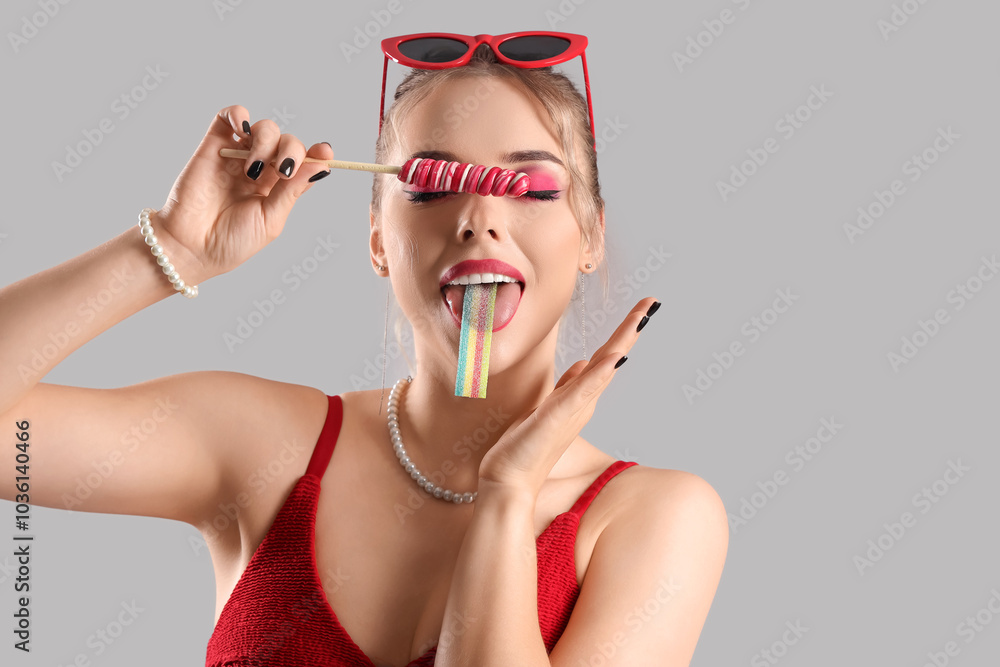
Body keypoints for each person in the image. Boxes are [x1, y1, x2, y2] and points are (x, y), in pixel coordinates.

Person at [0, 32, 727, 666]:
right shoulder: (261, 446)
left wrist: (507, 497)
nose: (478, 218)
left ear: (591, 234)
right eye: (430, 187)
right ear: (379, 239)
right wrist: (168, 249)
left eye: (530, 188)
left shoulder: (654, 520)